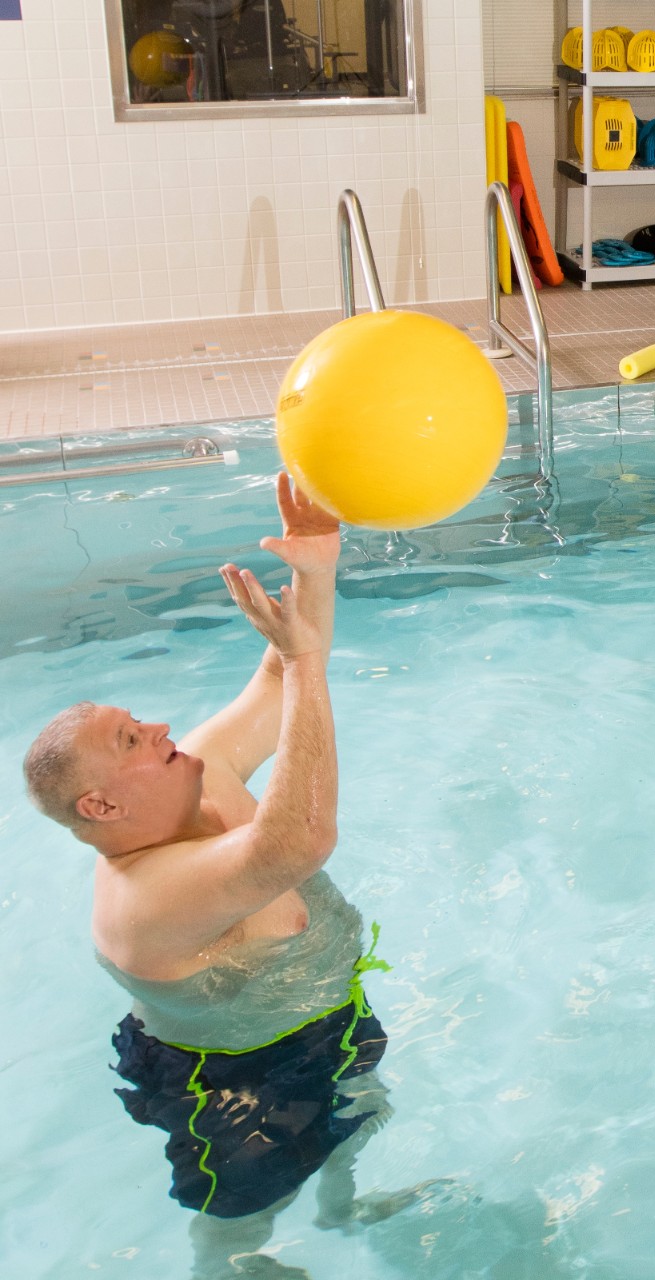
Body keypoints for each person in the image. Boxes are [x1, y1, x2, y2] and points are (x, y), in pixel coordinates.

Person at [23, 474, 413, 1279]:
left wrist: (317, 566)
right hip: (231, 1085)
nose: (159, 727)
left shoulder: (204, 775)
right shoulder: (146, 896)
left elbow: (281, 679)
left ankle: (342, 1211)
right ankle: (231, 1266)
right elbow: (297, 842)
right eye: (132, 739)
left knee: (354, 1124)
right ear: (98, 805)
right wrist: (302, 658)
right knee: (241, 1210)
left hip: (323, 1018)